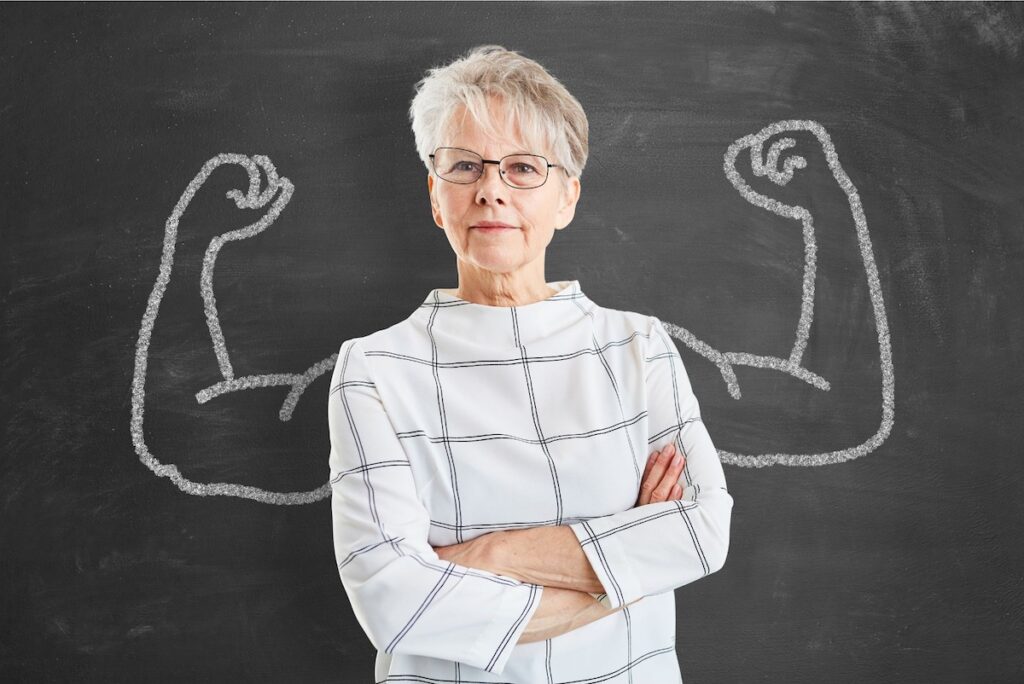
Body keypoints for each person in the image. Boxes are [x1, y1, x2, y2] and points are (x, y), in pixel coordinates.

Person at [328, 45, 732, 683]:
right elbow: (392, 599)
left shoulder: (638, 346)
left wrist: (485, 555)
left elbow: (701, 530)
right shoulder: (376, 368)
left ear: (567, 198)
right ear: (437, 196)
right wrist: (622, 569)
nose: (490, 190)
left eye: (522, 168)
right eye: (464, 166)